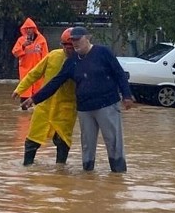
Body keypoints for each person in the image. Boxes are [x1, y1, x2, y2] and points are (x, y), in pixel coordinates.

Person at [22, 27, 134, 173]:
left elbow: (119, 73)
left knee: (113, 141)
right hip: (84, 109)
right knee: (87, 145)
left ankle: (118, 174)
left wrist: (126, 95)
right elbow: (55, 82)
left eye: (77, 39)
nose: (74, 43)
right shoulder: (72, 61)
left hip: (107, 105)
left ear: (88, 38)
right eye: (72, 40)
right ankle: (88, 175)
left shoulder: (103, 52)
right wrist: (34, 99)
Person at [12, 28, 77, 166]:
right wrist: (20, 89)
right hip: (44, 106)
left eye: (73, 47)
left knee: (63, 141)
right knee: (32, 139)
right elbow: (34, 74)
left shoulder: (82, 61)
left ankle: (60, 171)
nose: (70, 50)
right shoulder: (53, 56)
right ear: (62, 45)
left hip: (66, 109)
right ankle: (27, 167)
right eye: (67, 46)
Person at [12, 17, 49, 101]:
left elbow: (46, 55)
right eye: (26, 28)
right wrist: (23, 46)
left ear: (34, 29)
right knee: (25, 92)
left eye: (30, 28)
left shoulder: (42, 40)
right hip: (25, 70)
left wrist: (45, 70)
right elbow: (15, 53)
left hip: (38, 70)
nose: (28, 30)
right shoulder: (21, 40)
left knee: (38, 94)